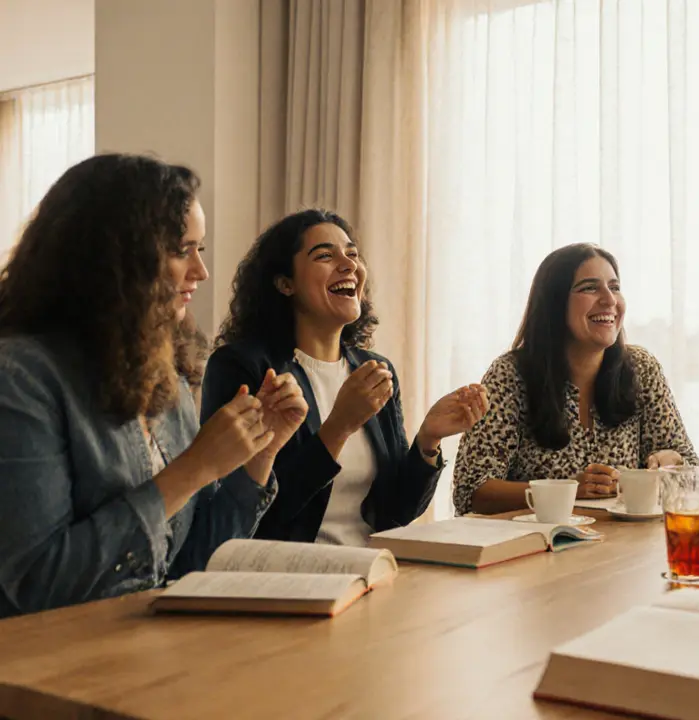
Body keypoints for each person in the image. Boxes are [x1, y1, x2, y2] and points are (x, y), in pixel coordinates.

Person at [0, 154, 304, 618]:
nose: (201, 272)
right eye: (183, 250)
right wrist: (194, 469)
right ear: (114, 259)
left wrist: (258, 457)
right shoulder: (20, 379)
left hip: (147, 656)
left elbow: (192, 568)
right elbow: (38, 584)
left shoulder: (169, 382)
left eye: (200, 249)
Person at [204, 209, 488, 545]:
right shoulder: (242, 367)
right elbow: (249, 514)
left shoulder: (373, 370)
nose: (349, 264)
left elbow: (394, 513)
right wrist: (338, 428)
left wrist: (427, 441)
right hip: (285, 576)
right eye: (325, 255)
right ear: (284, 283)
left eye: (352, 254)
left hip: (368, 568)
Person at [453, 243, 699, 515]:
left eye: (614, 287)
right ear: (555, 303)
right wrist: (567, 489)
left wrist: (671, 461)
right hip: (533, 548)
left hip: (620, 548)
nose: (609, 300)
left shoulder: (641, 369)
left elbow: (691, 469)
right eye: (590, 288)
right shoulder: (511, 375)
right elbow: (472, 490)